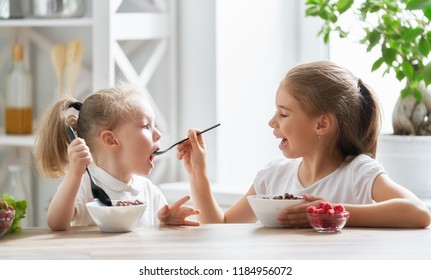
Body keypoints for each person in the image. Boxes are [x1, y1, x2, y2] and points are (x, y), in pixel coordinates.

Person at [177, 60, 431, 228]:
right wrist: (197, 172)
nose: (271, 122)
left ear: (321, 124)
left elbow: (418, 212)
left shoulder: (358, 172)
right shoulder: (273, 176)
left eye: (283, 114)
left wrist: (331, 213)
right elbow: (221, 227)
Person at [34, 85, 200, 231]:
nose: (158, 134)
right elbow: (56, 223)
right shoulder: (83, 184)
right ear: (111, 140)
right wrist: (74, 173)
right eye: (145, 126)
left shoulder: (150, 192)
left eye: (154, 125)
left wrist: (165, 224)